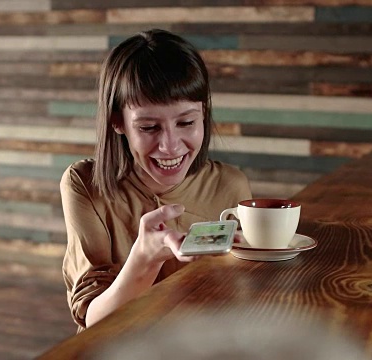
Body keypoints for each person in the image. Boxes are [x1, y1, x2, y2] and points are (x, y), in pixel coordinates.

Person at [60, 29, 252, 331]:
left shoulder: (229, 185)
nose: (171, 146)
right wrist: (144, 258)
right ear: (117, 122)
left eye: (186, 122)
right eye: (149, 127)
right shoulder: (85, 185)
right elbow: (92, 319)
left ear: (204, 115)